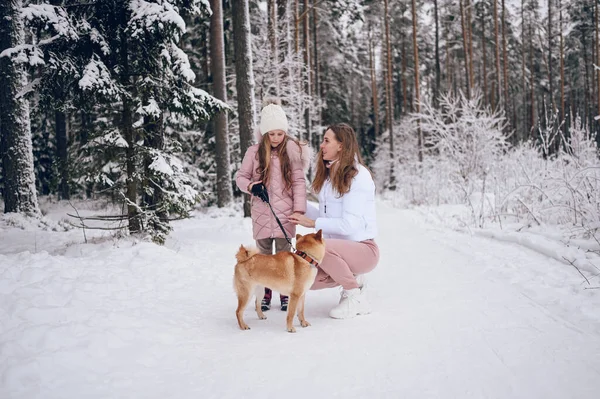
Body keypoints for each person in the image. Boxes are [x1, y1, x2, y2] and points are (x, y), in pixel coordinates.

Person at [289, 123, 379, 319]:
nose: (322, 145)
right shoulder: (329, 179)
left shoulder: (358, 176)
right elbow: (325, 217)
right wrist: (296, 206)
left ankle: (355, 296)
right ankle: (354, 278)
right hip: (336, 252)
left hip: (364, 250)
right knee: (304, 279)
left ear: (341, 145)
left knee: (320, 246)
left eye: (326, 140)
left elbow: (349, 225)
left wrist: (312, 224)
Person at [235, 99, 308, 312]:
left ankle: (285, 292)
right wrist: (251, 186)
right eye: (272, 134)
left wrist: (298, 210)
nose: (276, 138)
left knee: (285, 257)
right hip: (261, 213)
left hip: (286, 215)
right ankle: (265, 292)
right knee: (264, 257)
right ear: (265, 133)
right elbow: (240, 177)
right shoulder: (254, 152)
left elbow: (299, 183)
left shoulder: (292, 152)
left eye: (280, 133)